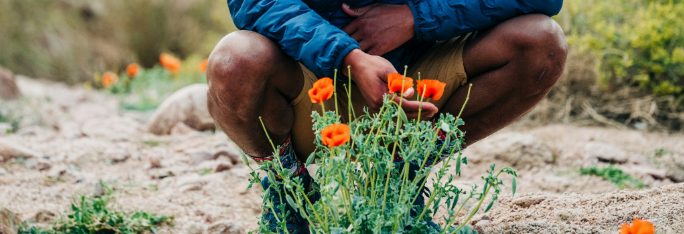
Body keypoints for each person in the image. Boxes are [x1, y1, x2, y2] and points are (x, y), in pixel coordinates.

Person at [207, 0, 568, 233]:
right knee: (234, 60)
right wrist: (348, 57)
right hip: (308, 87)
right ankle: (289, 189)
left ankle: (401, 174)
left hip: (417, 88)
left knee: (541, 42)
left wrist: (417, 17)